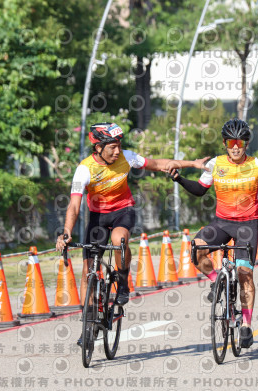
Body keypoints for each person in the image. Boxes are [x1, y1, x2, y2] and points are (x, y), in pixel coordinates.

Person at [55, 122, 207, 345]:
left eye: (119, 145)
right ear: (98, 148)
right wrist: (67, 232)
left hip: (123, 211)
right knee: (88, 271)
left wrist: (192, 163)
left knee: (119, 239)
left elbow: (158, 164)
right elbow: (74, 206)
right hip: (98, 217)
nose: (118, 151)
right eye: (112, 147)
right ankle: (88, 324)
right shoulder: (84, 169)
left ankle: (123, 280)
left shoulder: (127, 157)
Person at [169, 118, 258, 348]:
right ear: (224, 143)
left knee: (244, 273)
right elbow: (199, 190)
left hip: (247, 226)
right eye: (230, 142)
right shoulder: (215, 164)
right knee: (196, 249)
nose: (235, 147)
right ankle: (216, 281)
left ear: (246, 143)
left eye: (240, 142)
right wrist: (179, 179)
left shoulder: (257, 165)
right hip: (221, 223)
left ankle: (246, 325)